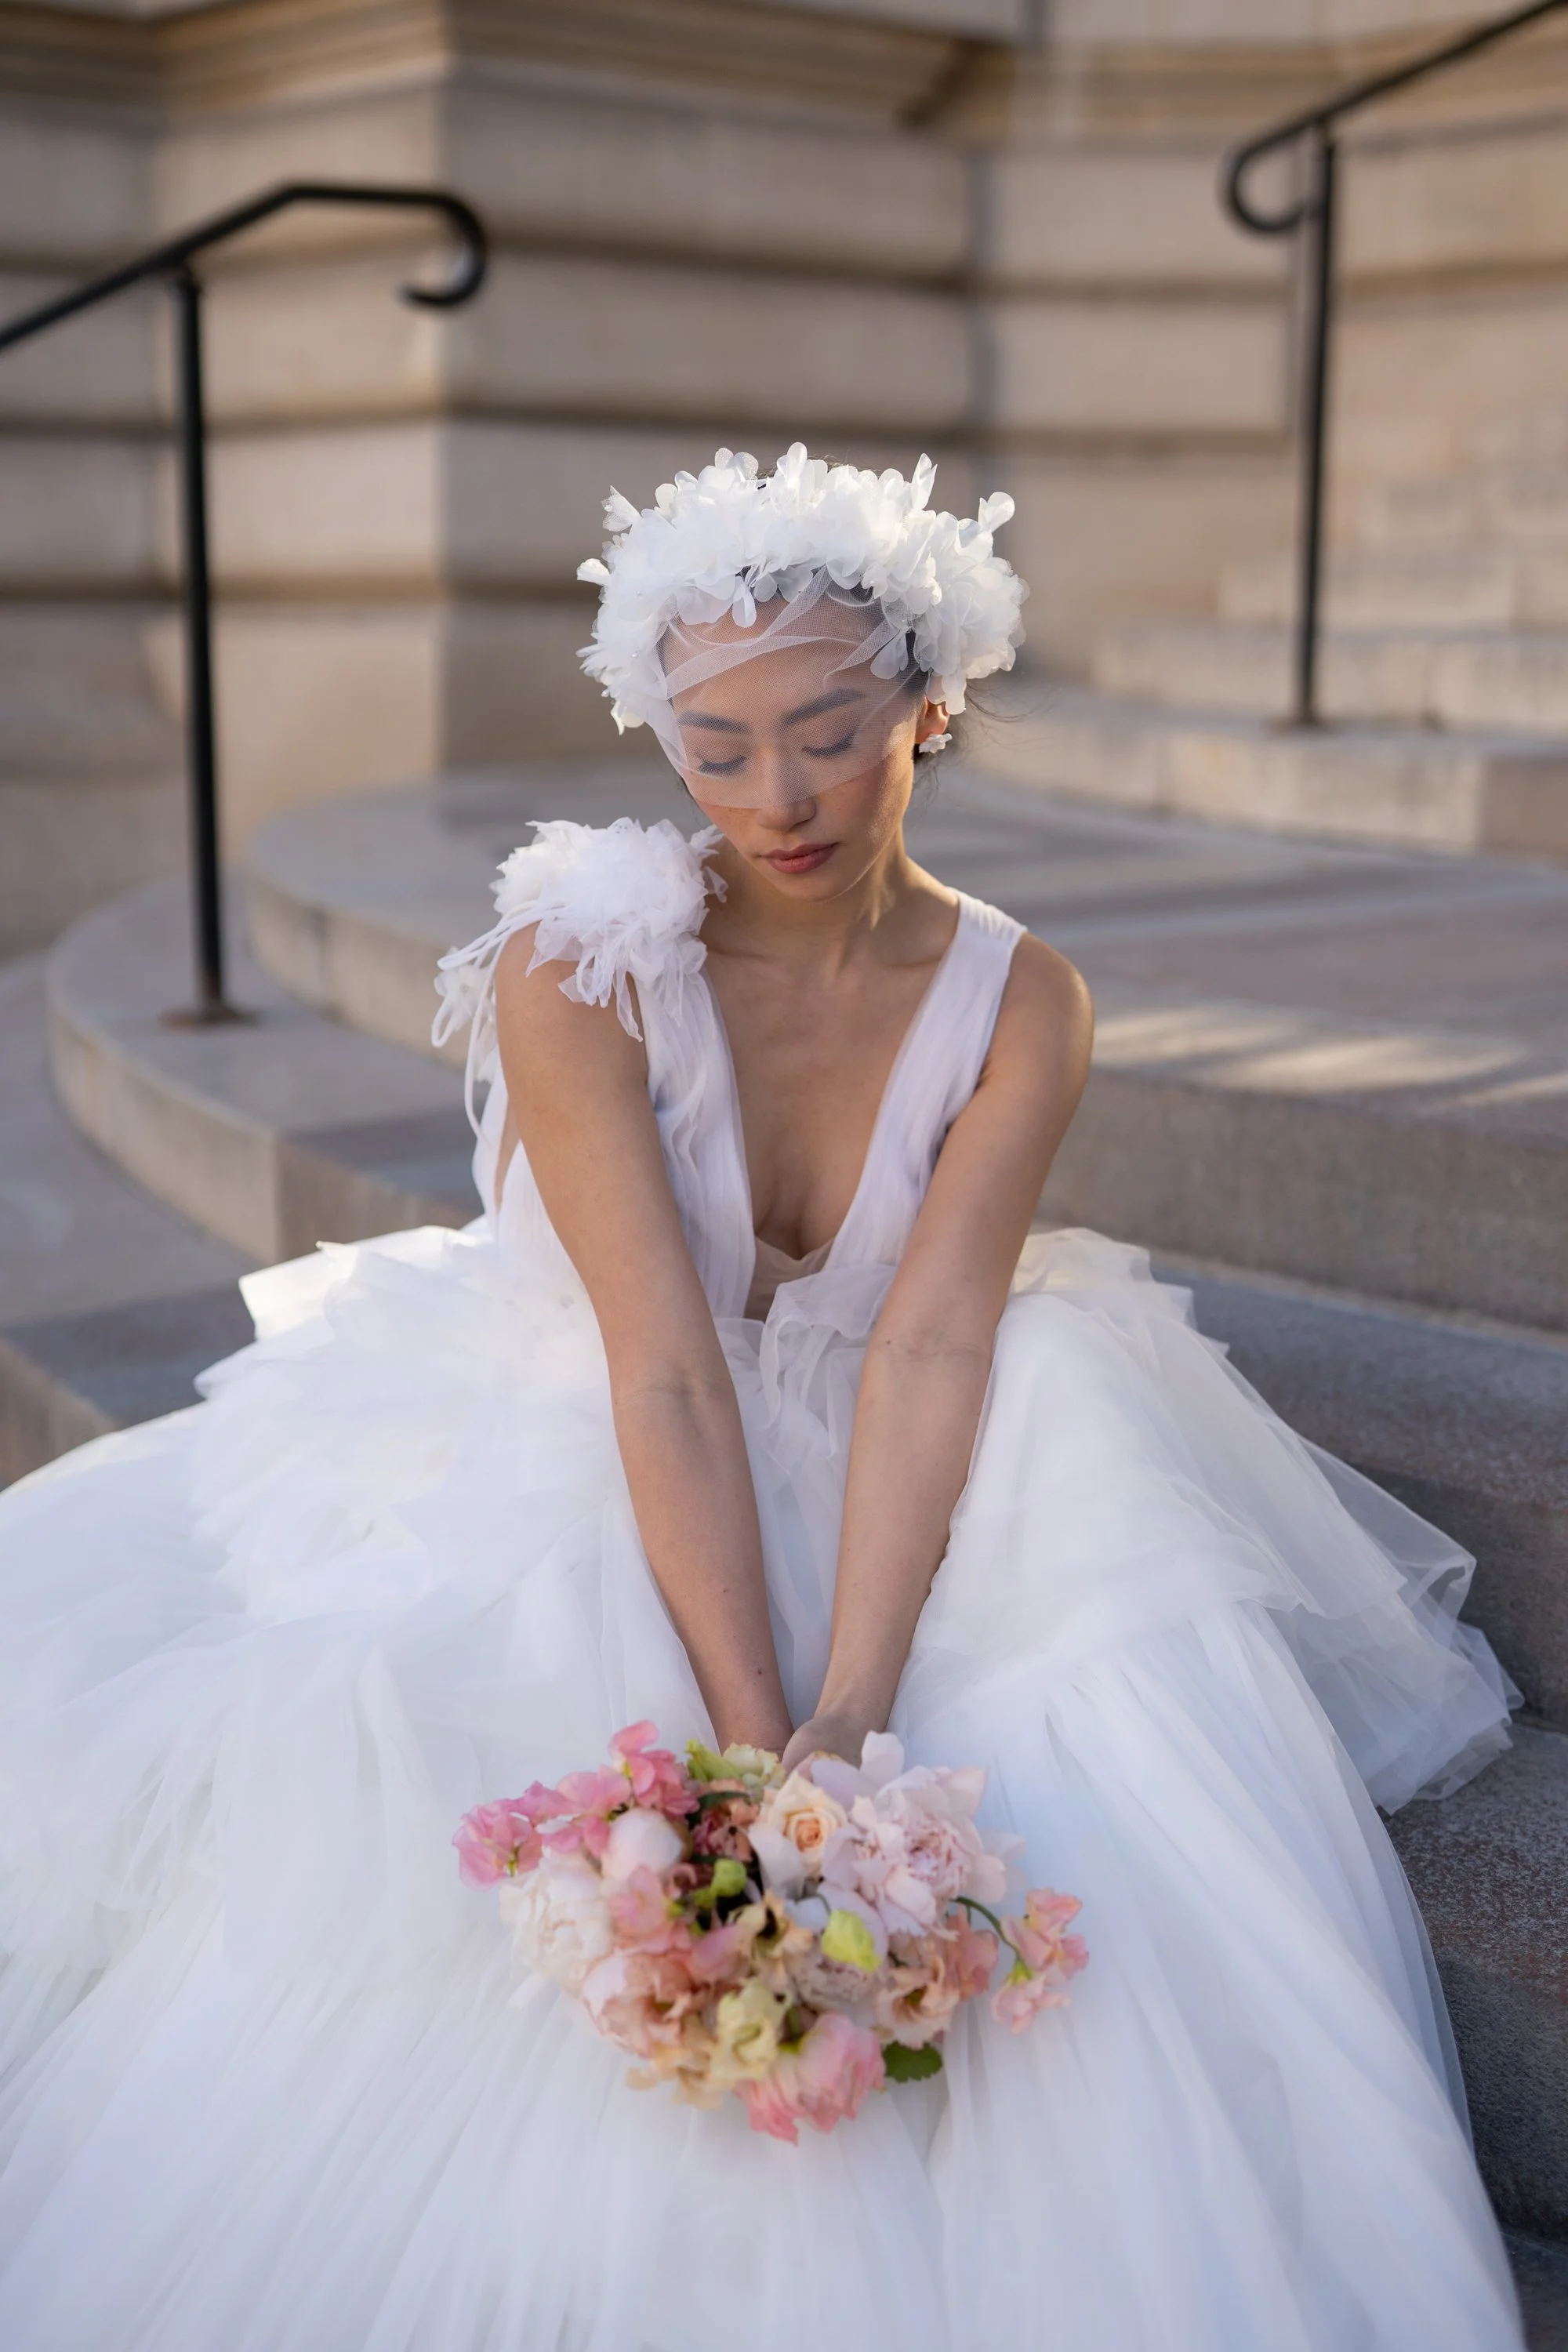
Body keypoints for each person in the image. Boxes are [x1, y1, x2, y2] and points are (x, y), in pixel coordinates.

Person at [0, 447, 1526, 2350]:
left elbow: (936, 1340)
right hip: (609, 1407)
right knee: (528, 1658)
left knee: (1062, 1494)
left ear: (929, 706)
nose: (773, 798)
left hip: (886, 1416)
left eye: (827, 734)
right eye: (713, 748)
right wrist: (747, 1750)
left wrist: (856, 1720)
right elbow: (657, 1359)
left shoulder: (1023, 1001)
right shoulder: (586, 961)